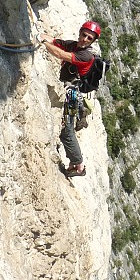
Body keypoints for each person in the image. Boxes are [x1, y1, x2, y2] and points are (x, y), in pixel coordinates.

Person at [38, 20, 101, 177]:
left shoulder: (85, 55)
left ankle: (78, 165)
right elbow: (55, 41)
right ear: (80, 33)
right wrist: (38, 34)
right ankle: (76, 163)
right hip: (68, 91)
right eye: (84, 35)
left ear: (93, 41)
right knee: (67, 128)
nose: (85, 39)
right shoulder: (74, 45)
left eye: (89, 38)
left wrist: (41, 41)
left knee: (67, 130)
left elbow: (60, 54)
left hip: (72, 95)